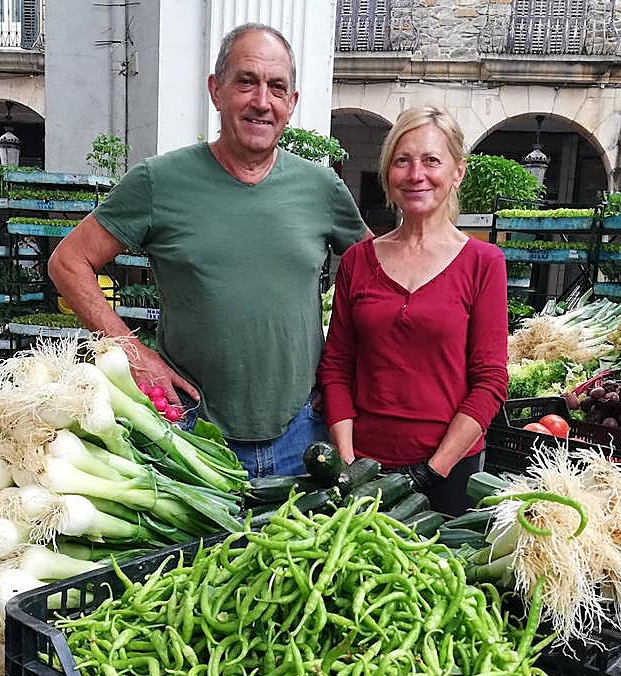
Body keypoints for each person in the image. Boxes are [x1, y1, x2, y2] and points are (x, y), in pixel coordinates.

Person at [48, 23, 368, 478]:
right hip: (194, 434)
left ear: (292, 104)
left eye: (277, 87)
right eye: (246, 81)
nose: (262, 101)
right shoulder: (159, 182)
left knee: (298, 551)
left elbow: (379, 280)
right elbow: (68, 261)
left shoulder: (321, 187)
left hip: (303, 433)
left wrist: (345, 371)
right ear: (215, 91)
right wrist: (133, 353)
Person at [316, 106, 508, 515]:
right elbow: (336, 367)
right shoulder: (357, 261)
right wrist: (349, 462)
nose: (416, 174)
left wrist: (431, 471)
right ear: (388, 173)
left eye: (431, 160)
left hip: (450, 470)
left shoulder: (483, 263)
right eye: (402, 161)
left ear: (457, 171)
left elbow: (490, 381)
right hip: (364, 466)